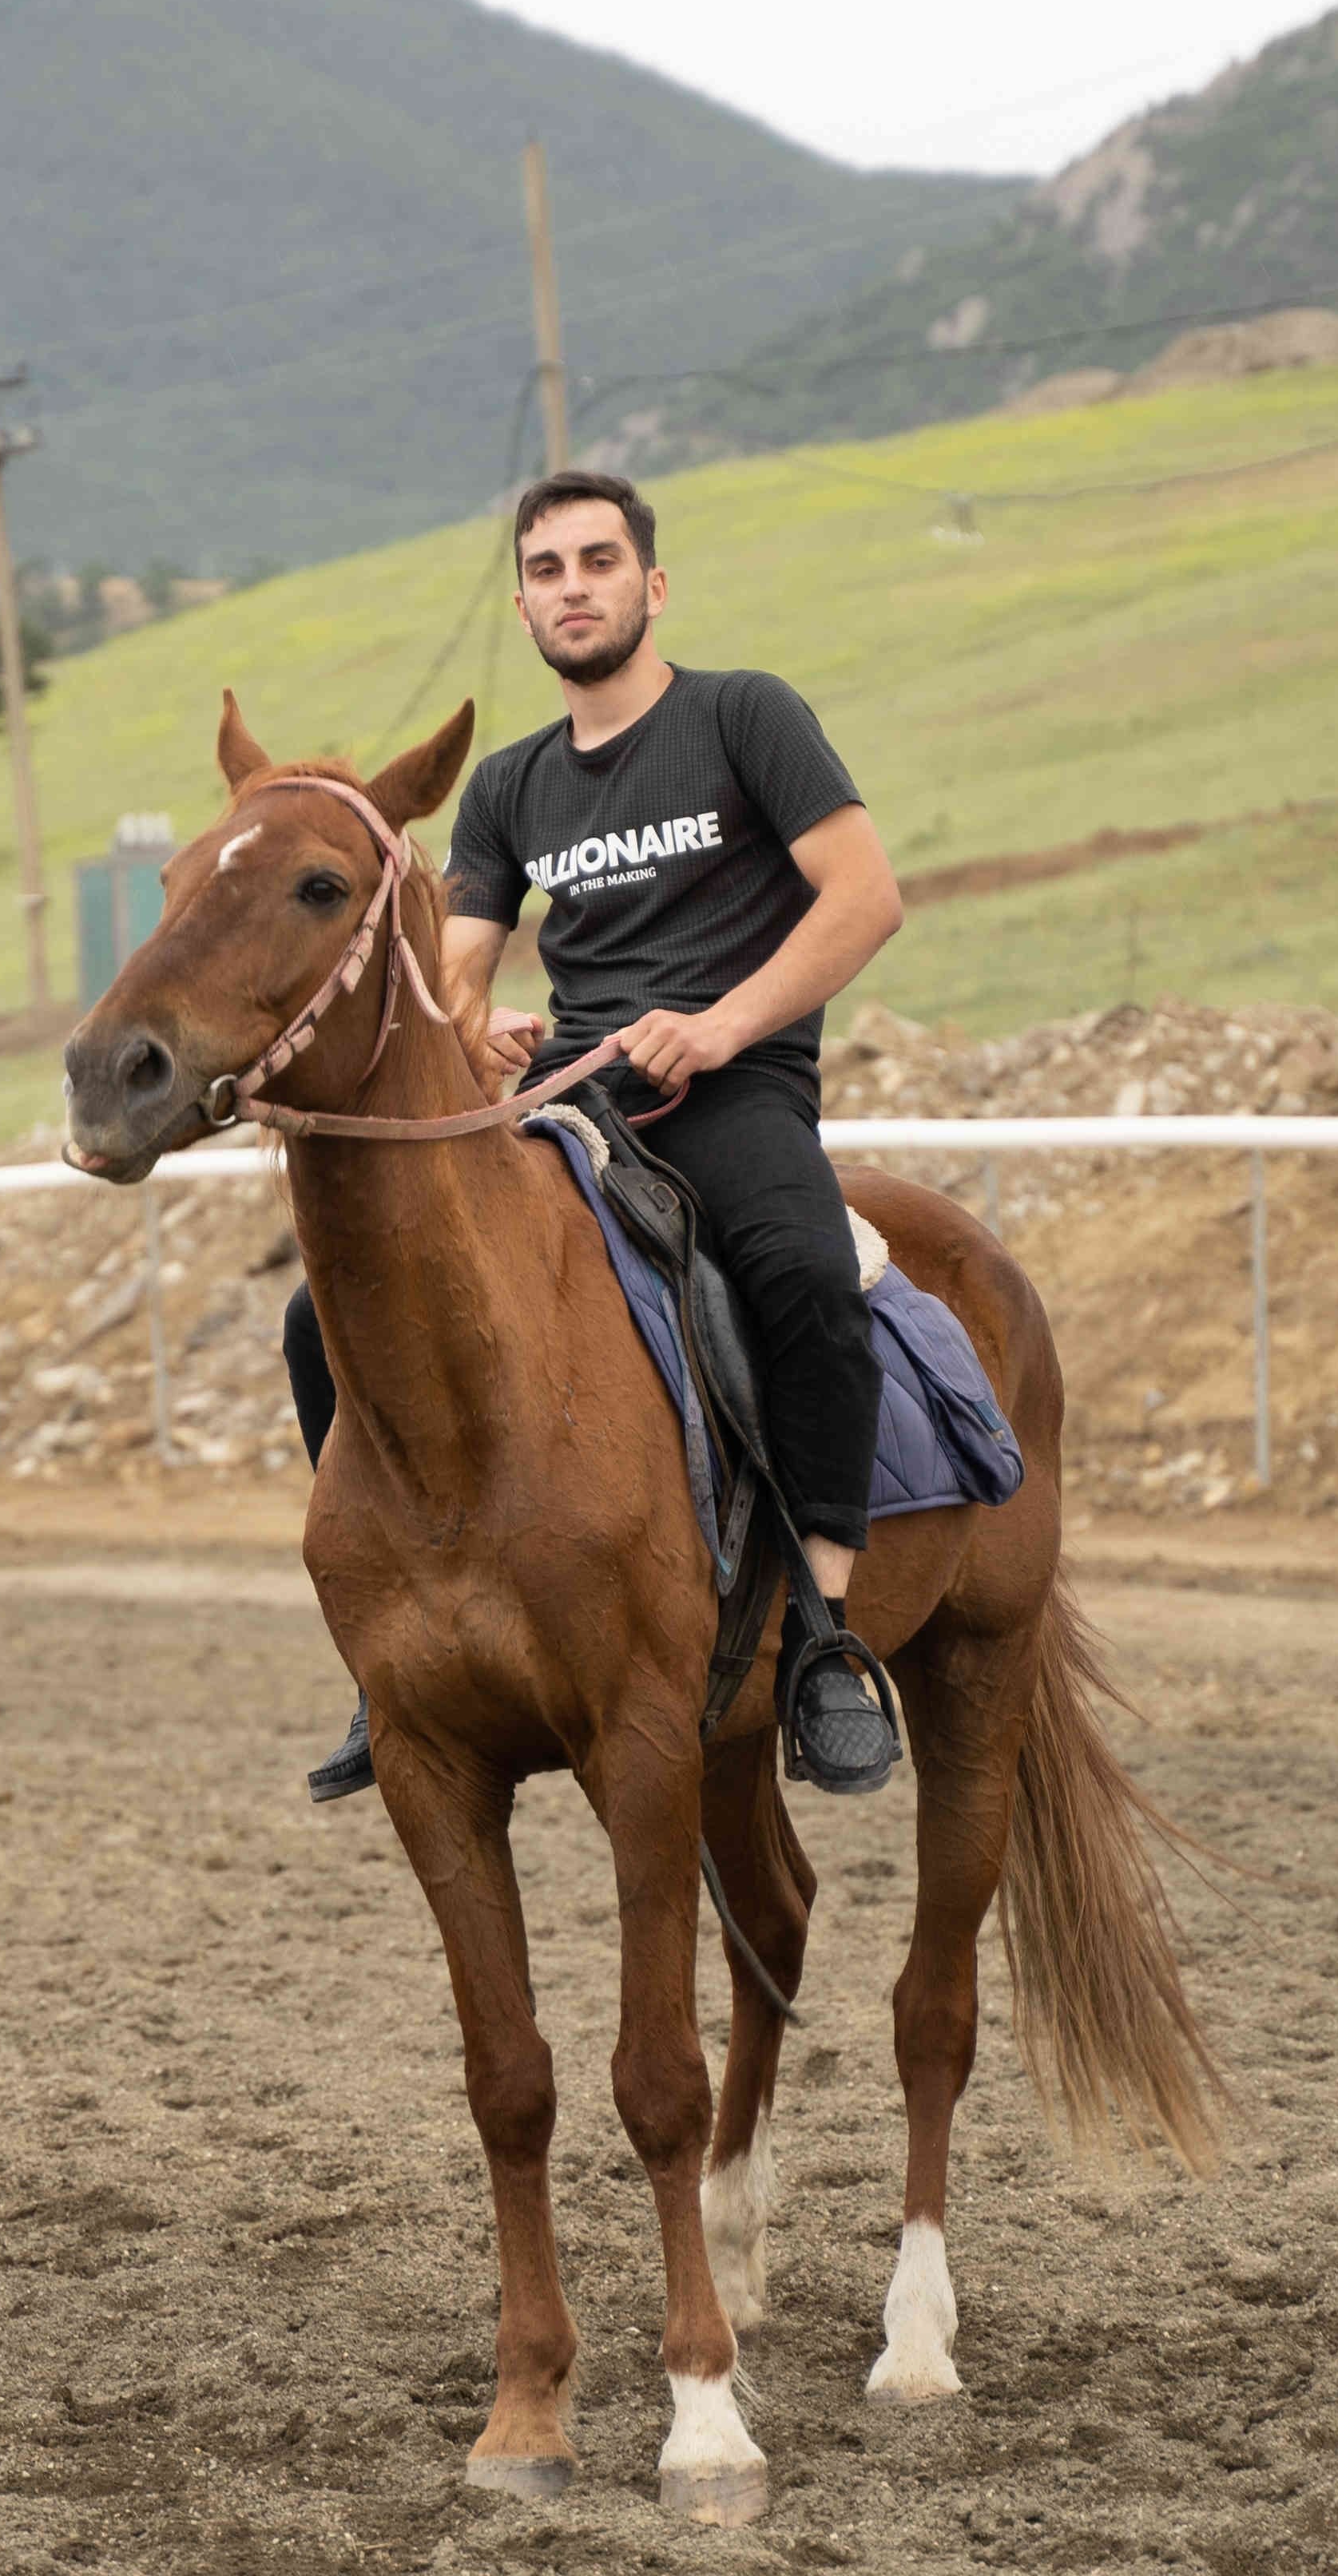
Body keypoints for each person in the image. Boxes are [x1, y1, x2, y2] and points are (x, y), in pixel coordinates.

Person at [291, 470, 907, 1800]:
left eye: (597, 560)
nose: (573, 586)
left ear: (651, 584)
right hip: (569, 1104)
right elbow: (448, 973)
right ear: (521, 606)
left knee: (802, 1275)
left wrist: (725, 1024)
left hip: (728, 1090)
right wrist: (482, 1023)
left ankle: (823, 1635)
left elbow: (864, 899)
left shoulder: (744, 716)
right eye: (548, 569)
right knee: (311, 1320)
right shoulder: (507, 788)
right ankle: (381, 1644)